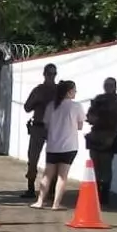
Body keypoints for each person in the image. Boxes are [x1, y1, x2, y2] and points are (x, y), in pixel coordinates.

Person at [31, 80, 84, 211]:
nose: (75, 92)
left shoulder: (51, 106)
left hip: (53, 145)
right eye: (74, 90)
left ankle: (40, 201)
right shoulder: (76, 106)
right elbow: (80, 126)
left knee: (47, 174)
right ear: (69, 91)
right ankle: (56, 204)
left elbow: (47, 125)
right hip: (69, 146)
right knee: (62, 176)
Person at [85, 77, 117, 207]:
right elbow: (90, 115)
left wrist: (112, 136)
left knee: (106, 167)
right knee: (95, 166)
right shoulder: (99, 99)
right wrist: (92, 118)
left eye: (110, 85)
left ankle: (104, 195)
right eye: (106, 85)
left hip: (108, 135)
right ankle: (95, 193)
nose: (108, 87)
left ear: (115, 86)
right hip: (96, 134)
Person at [21, 63, 58, 197]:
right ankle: (31, 188)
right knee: (33, 158)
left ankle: (52, 189)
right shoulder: (39, 90)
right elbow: (27, 107)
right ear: (44, 74)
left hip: (53, 128)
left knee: (53, 159)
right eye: (49, 74)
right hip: (38, 127)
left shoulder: (58, 91)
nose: (51, 77)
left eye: (53, 74)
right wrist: (38, 102)